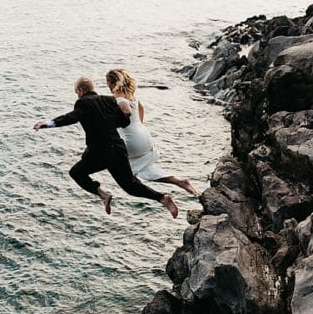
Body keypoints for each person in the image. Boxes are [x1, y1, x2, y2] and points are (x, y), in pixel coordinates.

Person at [33, 75, 178, 218]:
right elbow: (124, 122)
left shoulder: (82, 103)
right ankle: (163, 198)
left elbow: (71, 117)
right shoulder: (109, 100)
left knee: (76, 172)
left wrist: (48, 123)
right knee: (130, 186)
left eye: (77, 92)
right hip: (118, 149)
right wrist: (106, 123)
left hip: (101, 153)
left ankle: (103, 195)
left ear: (81, 91)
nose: (77, 95)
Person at [105, 68, 198, 195]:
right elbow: (141, 110)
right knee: (142, 168)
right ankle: (179, 181)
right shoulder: (133, 97)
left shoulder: (116, 98)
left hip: (132, 141)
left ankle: (139, 190)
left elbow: (124, 112)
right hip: (144, 137)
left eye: (108, 83)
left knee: (111, 160)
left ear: (112, 83)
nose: (107, 86)